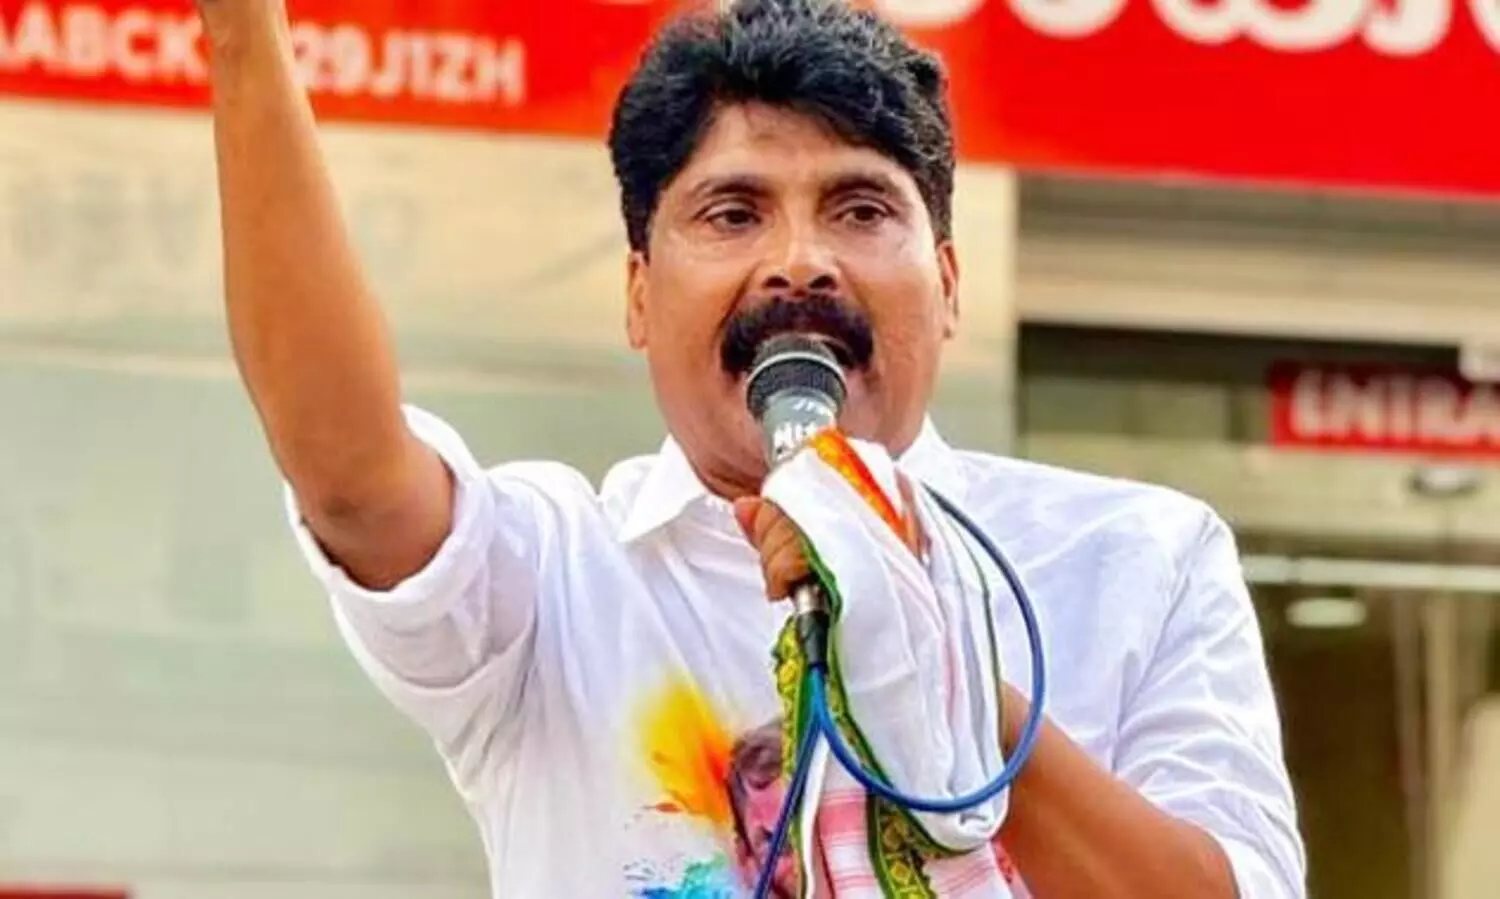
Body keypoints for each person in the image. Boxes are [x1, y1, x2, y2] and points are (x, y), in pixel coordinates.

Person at [195, 0, 1306, 895]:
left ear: (948, 284)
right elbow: (350, 480)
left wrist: (936, 650)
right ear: (640, 295)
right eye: (733, 213)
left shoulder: (1137, 559)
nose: (800, 261)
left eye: (861, 210)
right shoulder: (558, 575)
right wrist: (243, 32)